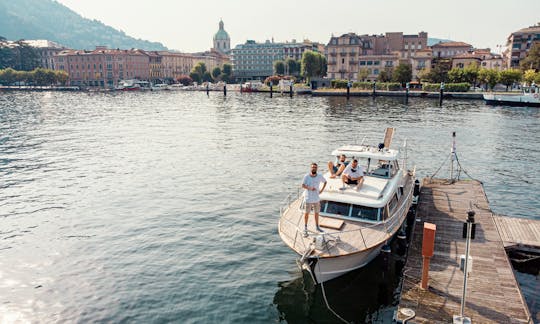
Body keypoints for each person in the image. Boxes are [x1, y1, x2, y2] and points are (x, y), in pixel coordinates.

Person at [302, 162, 327, 237]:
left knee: (316, 213)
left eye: (315, 167)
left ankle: (317, 227)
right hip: (308, 198)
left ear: (317, 168)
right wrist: (310, 188)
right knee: (307, 214)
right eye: (312, 167)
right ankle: (305, 227)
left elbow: (325, 182)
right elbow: (303, 185)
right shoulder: (306, 176)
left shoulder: (319, 176)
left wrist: (321, 190)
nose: (313, 168)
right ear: (310, 168)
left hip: (316, 199)